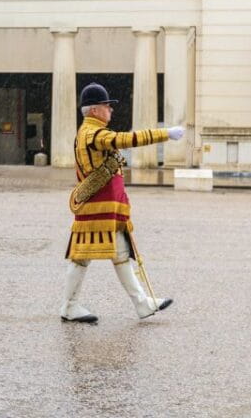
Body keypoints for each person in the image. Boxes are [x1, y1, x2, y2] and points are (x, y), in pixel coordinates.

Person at [60, 82, 181, 323]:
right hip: (99, 209)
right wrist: (165, 133)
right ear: (94, 110)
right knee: (91, 256)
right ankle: (71, 306)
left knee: (108, 255)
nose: (111, 110)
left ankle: (140, 304)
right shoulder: (94, 133)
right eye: (107, 106)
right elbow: (128, 139)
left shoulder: (87, 131)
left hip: (101, 208)